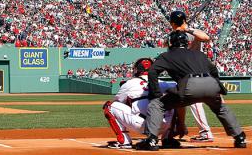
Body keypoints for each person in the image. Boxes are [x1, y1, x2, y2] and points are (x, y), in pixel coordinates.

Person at [135, 31, 246, 151]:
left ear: (171, 43)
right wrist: (216, 85)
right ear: (187, 42)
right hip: (211, 83)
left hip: (189, 85)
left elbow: (152, 71)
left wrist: (155, 94)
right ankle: (239, 137)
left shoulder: (167, 55)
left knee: (157, 105)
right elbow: (213, 70)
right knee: (220, 108)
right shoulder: (198, 54)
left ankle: (151, 139)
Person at [103, 58, 178, 149]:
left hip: (141, 125)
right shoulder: (163, 83)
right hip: (163, 125)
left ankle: (124, 141)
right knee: (175, 101)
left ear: (137, 70)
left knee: (109, 106)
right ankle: (167, 139)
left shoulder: (129, 83)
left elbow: (118, 101)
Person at [169, 10, 214, 142]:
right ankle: (180, 127)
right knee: (179, 101)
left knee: (195, 102)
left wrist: (187, 28)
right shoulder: (173, 35)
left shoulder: (190, 33)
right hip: (185, 74)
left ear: (172, 23)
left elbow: (205, 38)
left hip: (194, 73)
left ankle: (205, 132)